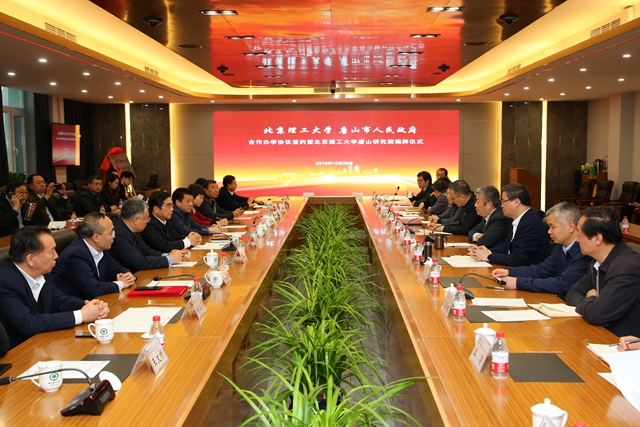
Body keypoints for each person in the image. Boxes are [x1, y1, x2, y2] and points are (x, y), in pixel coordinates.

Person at [0, 226, 109, 349]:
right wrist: (81, 315)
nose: (56, 256)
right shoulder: (4, 282)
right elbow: (29, 323)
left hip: (42, 343)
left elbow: (58, 300)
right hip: (18, 351)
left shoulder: (42, 272)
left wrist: (90, 306)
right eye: (51, 252)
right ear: (31, 259)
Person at [492, 202, 591, 300]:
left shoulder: (584, 252)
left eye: (553, 227)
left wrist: (518, 282)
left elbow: (563, 283)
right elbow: (542, 270)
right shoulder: (560, 246)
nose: (549, 231)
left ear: (571, 227)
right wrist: (509, 272)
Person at [566, 206, 640, 337]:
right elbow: (573, 293)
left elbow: (596, 315)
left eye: (580, 234)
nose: (577, 240)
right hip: (601, 333)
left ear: (597, 239)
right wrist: (592, 304)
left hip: (621, 341)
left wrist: (592, 298)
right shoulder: (597, 261)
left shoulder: (626, 269)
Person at [52, 212, 135, 300]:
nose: (114, 236)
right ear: (96, 237)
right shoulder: (75, 255)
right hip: (76, 304)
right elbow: (93, 289)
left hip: (96, 301)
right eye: (111, 233)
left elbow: (118, 269)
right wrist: (121, 284)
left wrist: (127, 276)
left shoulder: (102, 249)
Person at [470, 183, 549, 267]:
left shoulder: (530, 224)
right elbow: (506, 248)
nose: (501, 205)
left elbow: (518, 259)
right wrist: (487, 251)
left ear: (516, 202)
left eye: (504, 201)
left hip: (528, 271)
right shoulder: (518, 219)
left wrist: (488, 256)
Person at [110, 198, 187, 273]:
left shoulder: (132, 228)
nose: (148, 221)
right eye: (147, 218)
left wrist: (168, 255)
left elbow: (146, 251)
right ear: (136, 220)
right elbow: (139, 262)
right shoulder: (118, 234)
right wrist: (170, 259)